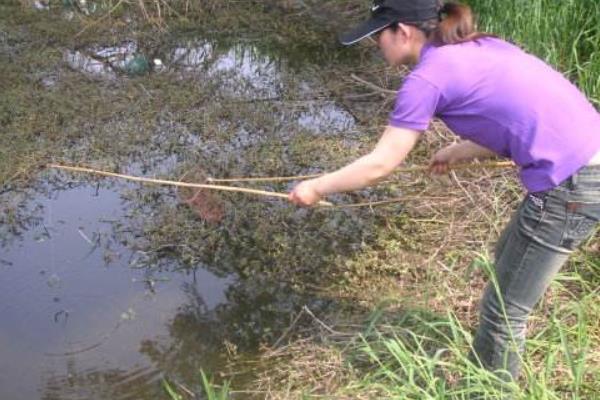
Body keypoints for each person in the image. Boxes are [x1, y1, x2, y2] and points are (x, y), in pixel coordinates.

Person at [288, 0, 600, 383]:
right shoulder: (477, 47)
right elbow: (520, 117)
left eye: (377, 36)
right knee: (506, 259)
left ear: (403, 32)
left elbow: (381, 164)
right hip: (586, 161)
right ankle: (488, 368)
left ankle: (489, 390)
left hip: (573, 184)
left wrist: (316, 187)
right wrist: (461, 151)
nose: (375, 46)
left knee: (504, 312)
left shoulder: (426, 79)